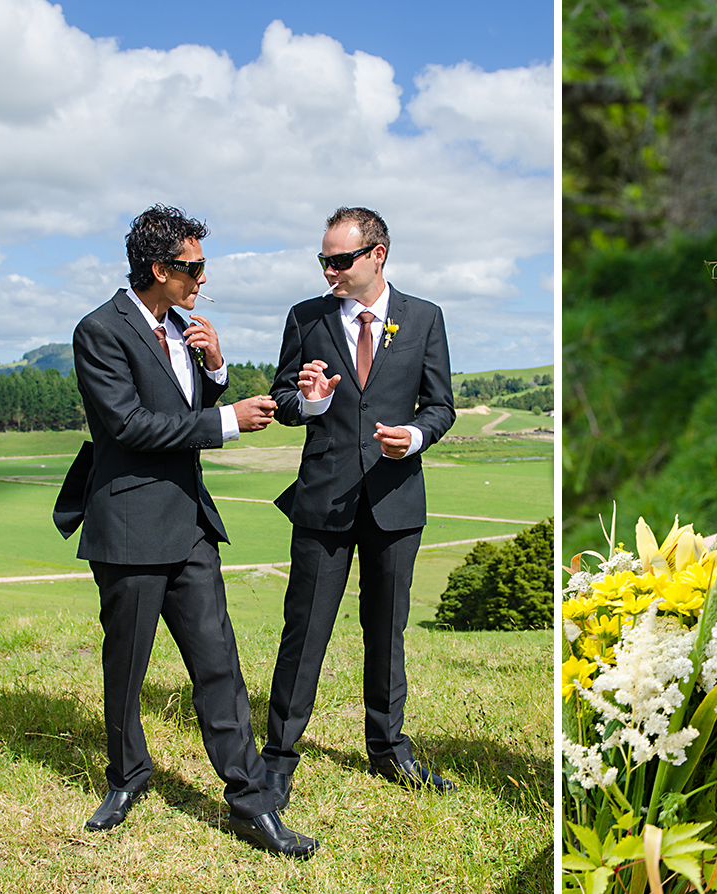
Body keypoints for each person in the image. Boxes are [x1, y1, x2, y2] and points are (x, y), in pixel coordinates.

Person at [53, 205, 318, 858]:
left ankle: (251, 804)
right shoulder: (99, 331)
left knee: (219, 665)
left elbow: (184, 411)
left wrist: (216, 368)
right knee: (127, 667)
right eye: (193, 268)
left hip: (191, 524)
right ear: (157, 267)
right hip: (129, 527)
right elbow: (127, 426)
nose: (203, 279)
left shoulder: (182, 328)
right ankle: (127, 776)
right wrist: (228, 421)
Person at [261, 207, 456, 805]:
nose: (329, 272)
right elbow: (282, 399)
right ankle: (278, 757)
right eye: (323, 261)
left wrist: (415, 436)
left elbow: (441, 406)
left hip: (396, 500)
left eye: (340, 260)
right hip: (324, 498)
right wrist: (311, 401)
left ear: (378, 255)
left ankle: (388, 749)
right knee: (305, 628)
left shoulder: (425, 318)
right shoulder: (306, 317)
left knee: (387, 629)